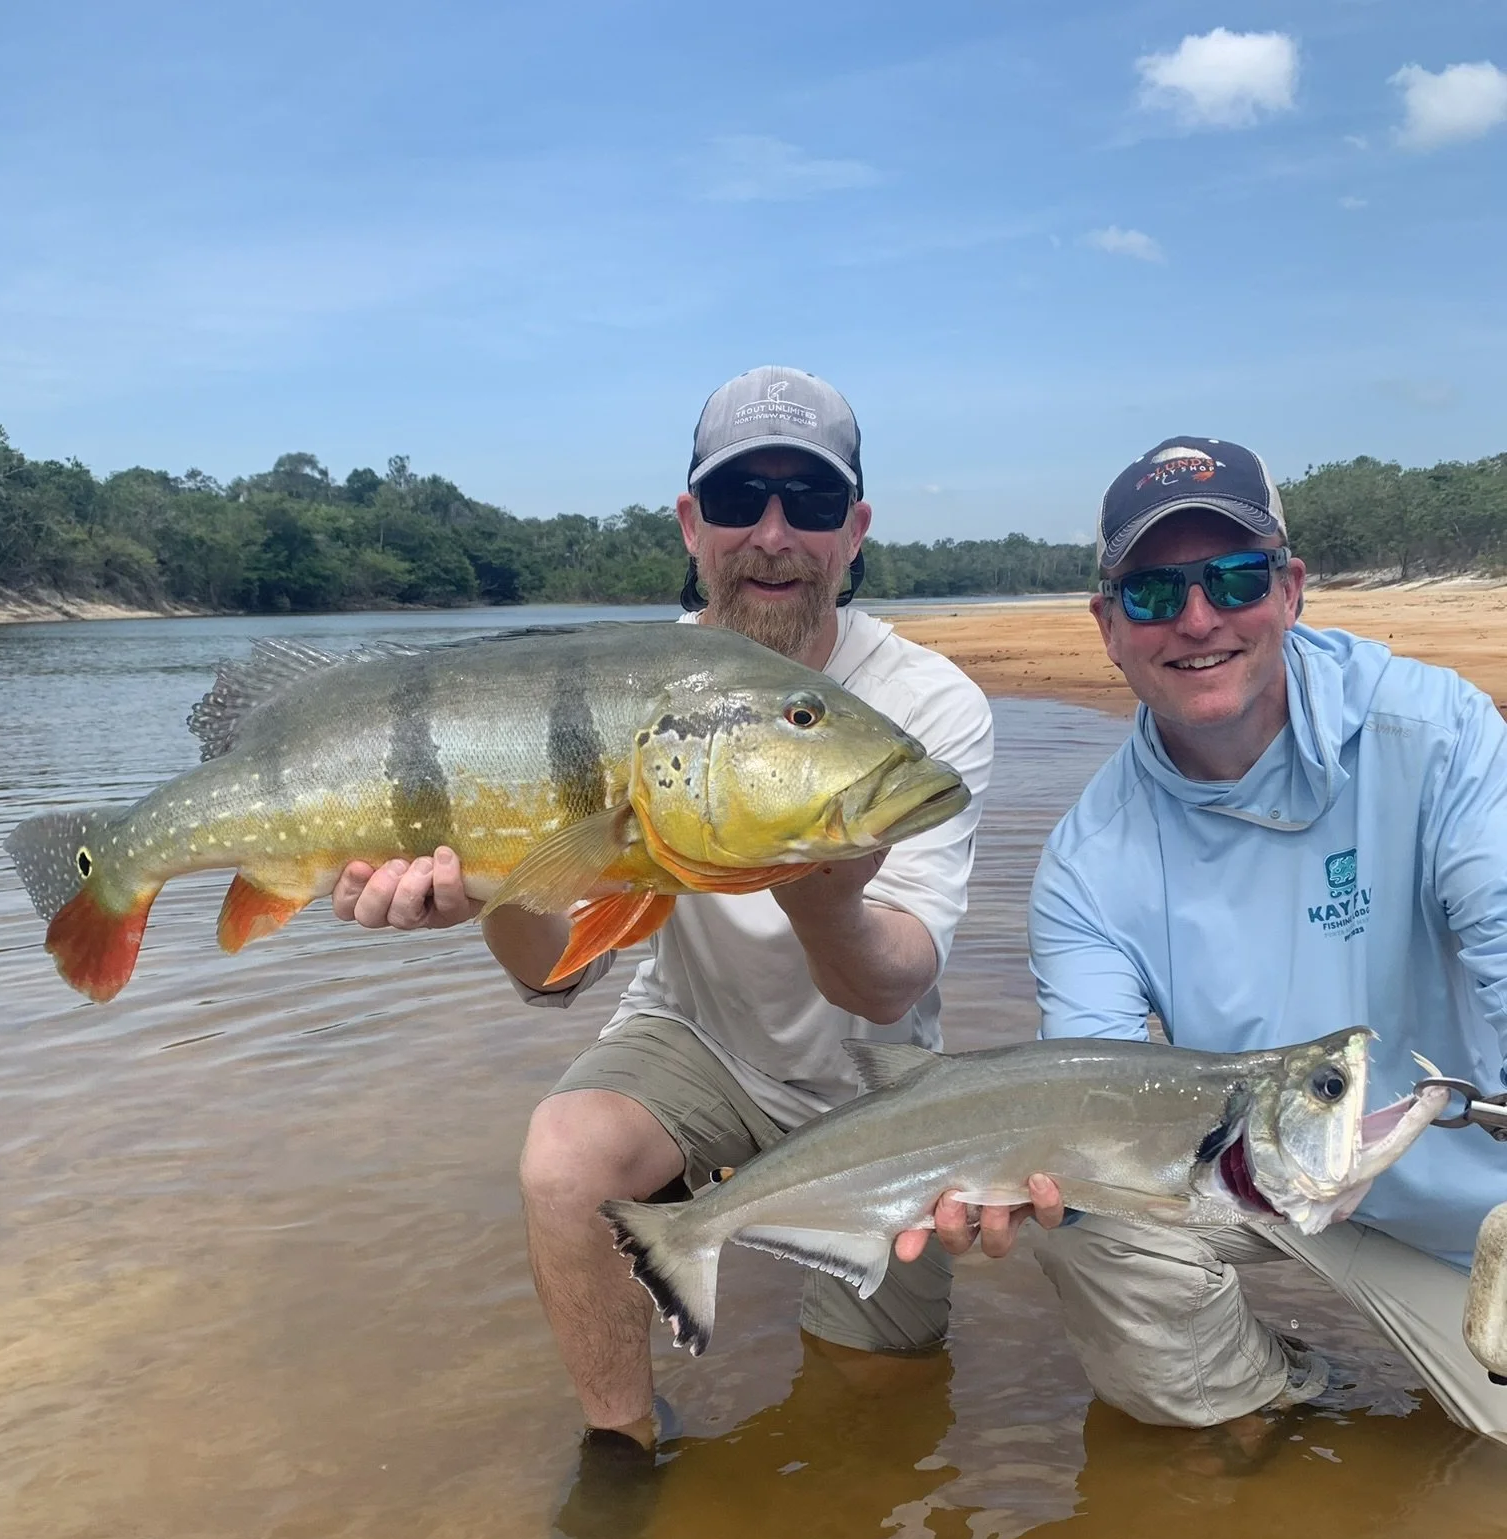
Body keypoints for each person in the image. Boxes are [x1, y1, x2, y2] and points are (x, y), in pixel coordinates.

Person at [332, 367, 994, 1453]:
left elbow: (891, 980)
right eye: (739, 501)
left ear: (856, 530)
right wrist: (490, 888)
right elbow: (557, 975)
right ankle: (622, 1451)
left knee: (878, 1411)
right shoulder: (631, 683)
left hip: (865, 1072)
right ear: (691, 524)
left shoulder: (924, 712)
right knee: (562, 1155)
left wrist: (820, 899)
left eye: (812, 504)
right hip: (689, 1036)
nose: (772, 534)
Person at [902, 435, 1507, 1441]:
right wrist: (1000, 1163)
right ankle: (1256, 1392)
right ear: (1106, 623)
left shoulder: (1438, 735)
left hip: (1477, 1222)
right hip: (1255, 1186)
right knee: (1082, 1221)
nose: (1197, 619)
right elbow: (1092, 1097)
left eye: (1233, 577)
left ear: (1291, 588)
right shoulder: (1087, 864)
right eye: (1152, 593)